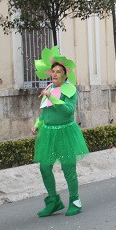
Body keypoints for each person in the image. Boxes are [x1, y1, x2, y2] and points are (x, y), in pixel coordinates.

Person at [32, 46, 90, 217]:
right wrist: (37, 124)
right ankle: (53, 201)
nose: (55, 74)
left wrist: (52, 97)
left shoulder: (70, 90)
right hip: (49, 133)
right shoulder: (49, 88)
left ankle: (75, 201)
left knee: (68, 168)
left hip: (65, 132)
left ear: (66, 74)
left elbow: (67, 111)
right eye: (53, 71)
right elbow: (45, 112)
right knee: (44, 167)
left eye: (58, 71)